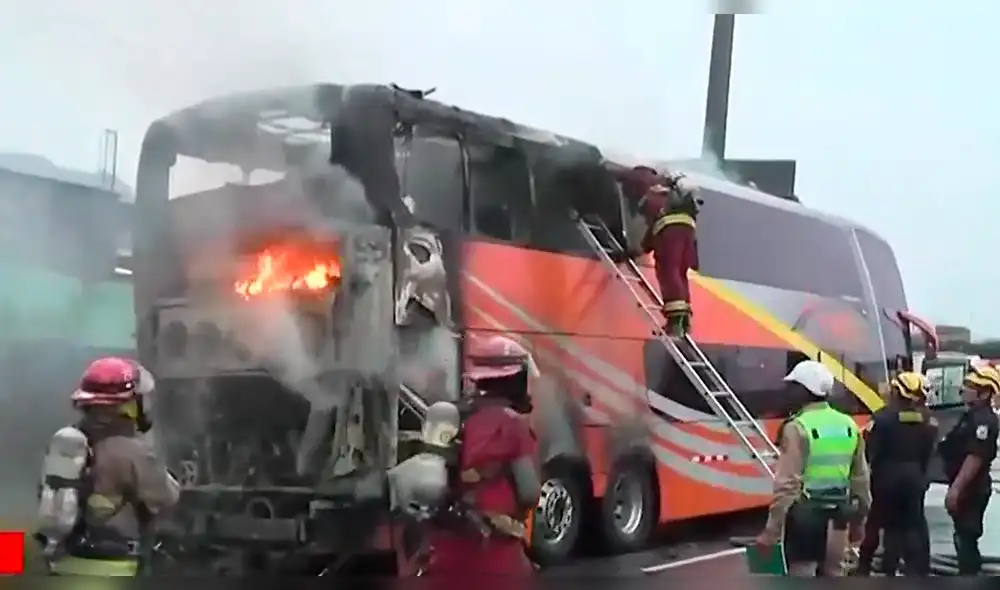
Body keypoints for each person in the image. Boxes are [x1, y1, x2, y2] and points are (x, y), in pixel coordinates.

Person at [41, 357, 179, 577]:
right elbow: (167, 499)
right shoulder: (133, 452)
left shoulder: (68, 441)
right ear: (129, 404)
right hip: (115, 570)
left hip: (64, 564)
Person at [418, 334, 541, 577]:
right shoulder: (513, 423)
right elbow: (529, 492)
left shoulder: (452, 415)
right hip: (494, 552)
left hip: (445, 548)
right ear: (515, 378)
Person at [754, 360, 871, 576]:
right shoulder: (848, 425)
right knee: (834, 575)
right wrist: (860, 522)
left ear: (805, 390)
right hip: (838, 520)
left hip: (804, 521)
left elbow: (787, 486)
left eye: (793, 386)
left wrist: (771, 531)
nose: (787, 392)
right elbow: (861, 480)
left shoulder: (798, 427)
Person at [855, 371, 937, 576]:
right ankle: (913, 569)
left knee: (875, 522)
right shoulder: (928, 420)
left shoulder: (882, 418)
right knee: (911, 524)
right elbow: (928, 453)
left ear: (897, 393)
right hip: (915, 476)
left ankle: (866, 567)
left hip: (886, 477)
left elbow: (870, 450)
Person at [617, 165, 701, 337]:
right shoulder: (667, 191)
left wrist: (636, 250)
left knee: (668, 274)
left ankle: (675, 323)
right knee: (679, 274)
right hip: (687, 229)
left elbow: (653, 228)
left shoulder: (645, 184)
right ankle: (683, 322)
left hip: (670, 232)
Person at [937, 363, 1000, 575]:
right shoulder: (971, 416)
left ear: (983, 394)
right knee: (962, 536)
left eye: (971, 386)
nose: (964, 389)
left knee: (967, 539)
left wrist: (956, 489)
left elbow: (975, 457)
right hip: (966, 487)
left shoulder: (984, 421)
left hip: (972, 489)